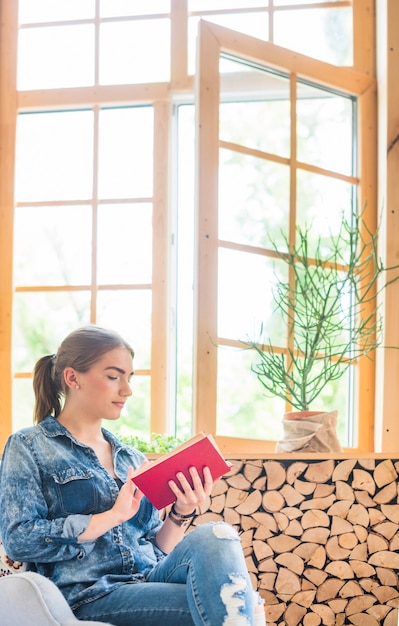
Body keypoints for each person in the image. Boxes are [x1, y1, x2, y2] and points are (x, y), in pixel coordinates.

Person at [0, 326, 265, 626]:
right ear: (73, 378)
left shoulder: (131, 458)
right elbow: (19, 538)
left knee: (218, 535)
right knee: (236, 603)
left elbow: (155, 547)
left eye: (129, 378)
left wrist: (182, 511)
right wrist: (111, 516)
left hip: (149, 577)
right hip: (91, 595)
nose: (127, 390)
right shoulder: (28, 446)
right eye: (114, 377)